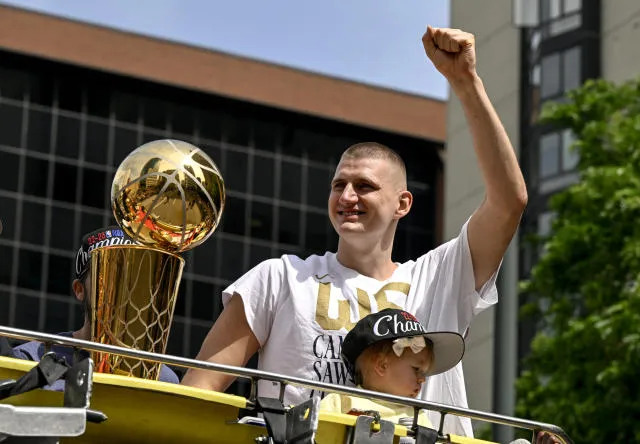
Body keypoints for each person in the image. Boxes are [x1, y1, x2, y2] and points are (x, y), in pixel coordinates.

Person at [182, 25, 527, 437]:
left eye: (364, 186)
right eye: (338, 185)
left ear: (403, 204)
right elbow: (199, 394)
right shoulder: (279, 278)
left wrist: (465, 82)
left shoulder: (439, 278)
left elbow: (509, 202)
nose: (347, 196)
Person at [12, 226, 180, 390]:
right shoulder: (30, 359)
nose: (125, 289)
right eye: (111, 275)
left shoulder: (164, 379)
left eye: (137, 277)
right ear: (79, 290)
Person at [319, 308, 465, 430]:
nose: (423, 379)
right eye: (416, 369)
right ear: (382, 365)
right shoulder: (341, 401)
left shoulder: (417, 416)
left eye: (424, 372)